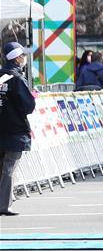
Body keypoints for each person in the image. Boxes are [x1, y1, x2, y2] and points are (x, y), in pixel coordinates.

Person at [0, 42, 36, 216]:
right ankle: (4, 205)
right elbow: (27, 106)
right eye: (23, 55)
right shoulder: (16, 78)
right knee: (9, 168)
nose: (25, 58)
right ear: (17, 58)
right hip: (14, 129)